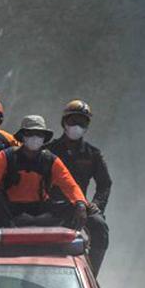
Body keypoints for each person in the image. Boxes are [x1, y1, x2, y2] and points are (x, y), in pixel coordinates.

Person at [0, 115, 87, 230]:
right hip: (11, 211)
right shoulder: (6, 156)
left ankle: (71, 236)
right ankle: (8, 228)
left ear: (44, 138)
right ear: (23, 136)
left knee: (73, 205)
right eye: (30, 134)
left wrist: (80, 203)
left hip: (40, 210)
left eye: (39, 134)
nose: (35, 138)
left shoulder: (50, 160)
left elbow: (70, 185)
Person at [47, 99, 110, 274]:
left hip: (79, 206)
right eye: (73, 121)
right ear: (64, 123)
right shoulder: (48, 151)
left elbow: (105, 183)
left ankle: (90, 274)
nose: (77, 126)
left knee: (100, 228)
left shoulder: (93, 154)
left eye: (82, 122)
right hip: (50, 205)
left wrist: (97, 205)